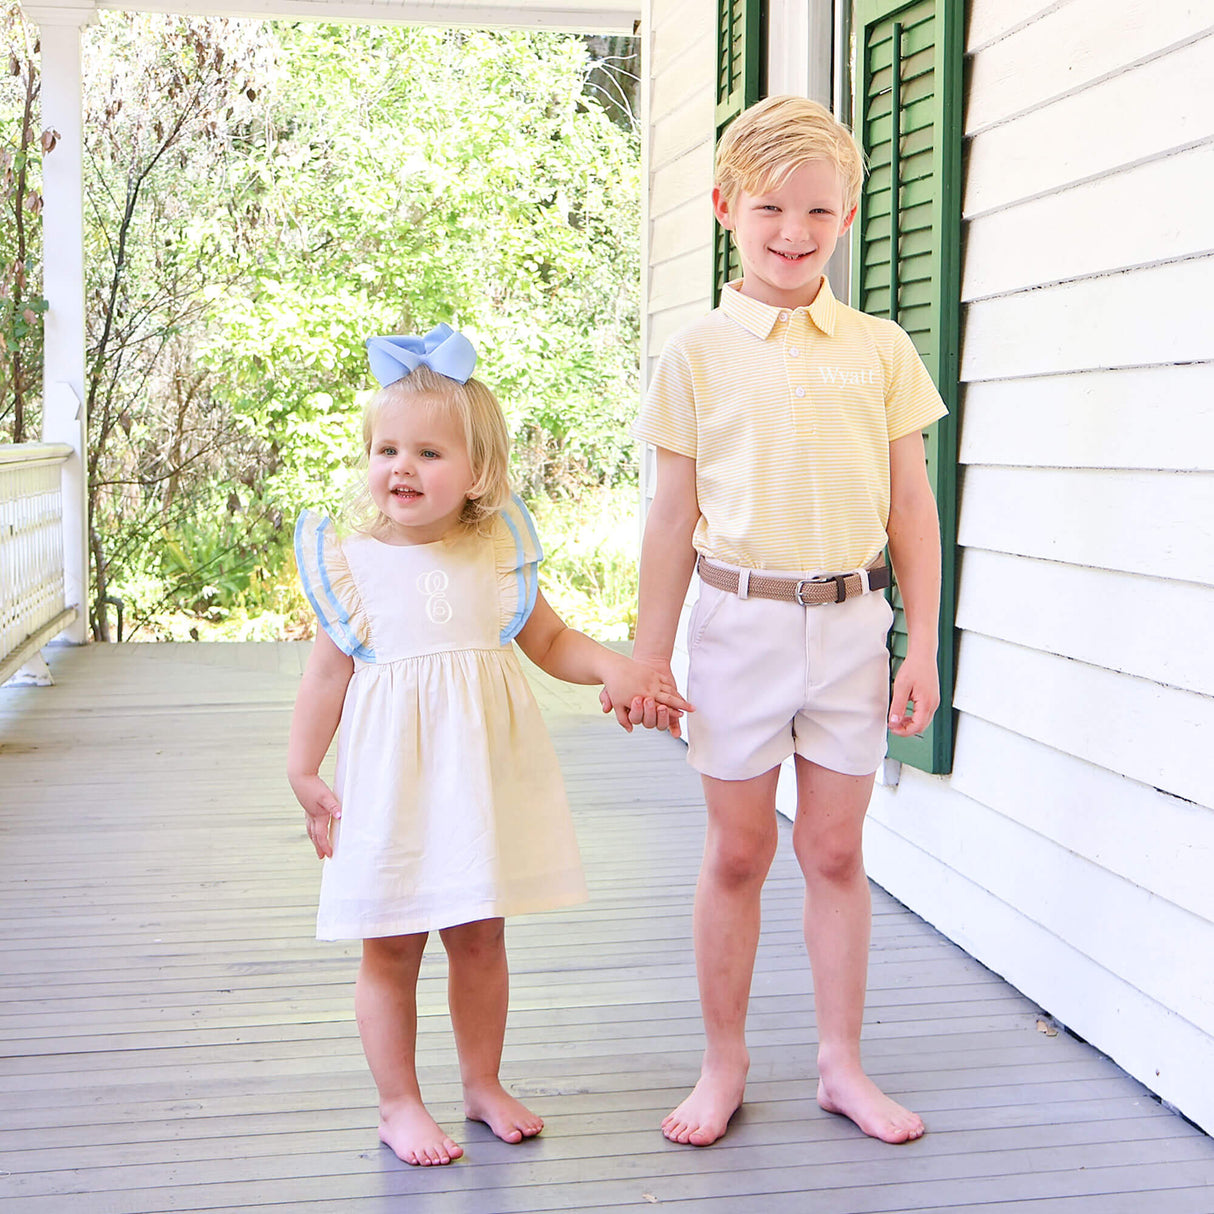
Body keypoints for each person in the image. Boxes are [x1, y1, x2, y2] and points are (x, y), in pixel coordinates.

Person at [622, 95, 947, 1147]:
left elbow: (910, 507)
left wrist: (921, 644)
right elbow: (672, 517)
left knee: (838, 853)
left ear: (846, 214)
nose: (793, 232)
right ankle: (722, 1064)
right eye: (769, 208)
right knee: (734, 853)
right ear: (724, 207)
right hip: (737, 624)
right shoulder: (696, 353)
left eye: (817, 210)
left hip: (852, 625)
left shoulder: (881, 347)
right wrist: (646, 651)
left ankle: (840, 1064)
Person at [287, 324, 689, 1167]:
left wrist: (615, 669)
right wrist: (302, 768)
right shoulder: (352, 565)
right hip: (392, 785)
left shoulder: (496, 551)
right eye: (386, 448)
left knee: (479, 937)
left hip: (475, 785)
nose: (402, 467)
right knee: (390, 944)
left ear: (477, 472)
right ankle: (399, 1104)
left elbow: (551, 643)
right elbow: (326, 679)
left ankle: (482, 1083)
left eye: (429, 453)